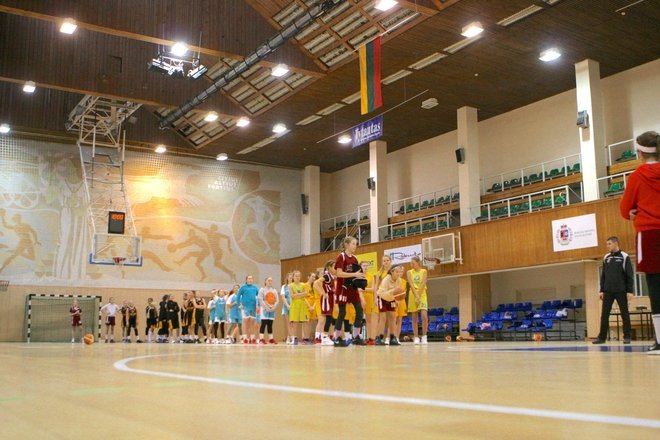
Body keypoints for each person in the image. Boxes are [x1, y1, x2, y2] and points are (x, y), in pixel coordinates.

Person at [619, 131, 660, 354]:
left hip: (649, 234)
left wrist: (635, 212)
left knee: (655, 287)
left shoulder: (638, 176)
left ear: (640, 152)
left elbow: (625, 209)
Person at [592, 237, 634, 345]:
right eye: (607, 244)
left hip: (621, 290)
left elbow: (629, 275)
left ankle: (627, 336)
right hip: (608, 291)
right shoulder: (606, 257)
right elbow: (604, 275)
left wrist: (630, 291)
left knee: (624, 314)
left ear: (616, 244)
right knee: (604, 314)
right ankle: (602, 337)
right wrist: (601, 290)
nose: (608, 246)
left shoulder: (624, 256)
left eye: (609, 244)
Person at [332, 236, 367, 347]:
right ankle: (336, 337)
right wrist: (354, 274)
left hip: (352, 288)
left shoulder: (355, 258)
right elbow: (339, 273)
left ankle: (356, 336)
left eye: (356, 244)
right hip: (343, 289)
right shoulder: (341, 257)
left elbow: (356, 275)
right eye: (353, 243)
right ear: (347, 245)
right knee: (342, 313)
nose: (355, 246)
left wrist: (360, 280)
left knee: (359, 311)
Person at [376, 264, 405, 346]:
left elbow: (398, 293)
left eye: (399, 272)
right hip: (382, 297)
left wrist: (397, 300)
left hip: (391, 298)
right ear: (392, 272)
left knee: (393, 317)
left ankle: (393, 338)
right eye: (397, 272)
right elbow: (383, 293)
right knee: (383, 317)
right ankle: (379, 337)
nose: (398, 273)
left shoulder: (399, 280)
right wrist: (392, 291)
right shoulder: (386, 280)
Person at [407, 256, 429, 344]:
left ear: (418, 263)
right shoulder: (409, 272)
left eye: (413, 263)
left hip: (422, 294)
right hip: (412, 294)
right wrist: (415, 296)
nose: (411, 265)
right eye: (411, 263)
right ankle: (416, 337)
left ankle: (424, 336)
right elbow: (411, 284)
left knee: (424, 315)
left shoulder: (424, 271)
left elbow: (423, 283)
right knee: (414, 317)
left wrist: (418, 296)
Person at [237, 275, 259, 344]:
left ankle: (252, 338)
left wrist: (258, 305)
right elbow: (238, 296)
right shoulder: (243, 287)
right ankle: (245, 338)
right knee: (245, 323)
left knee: (252, 323)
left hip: (253, 308)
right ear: (246, 280)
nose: (250, 280)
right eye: (249, 278)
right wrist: (239, 304)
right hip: (245, 308)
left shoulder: (255, 288)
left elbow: (258, 297)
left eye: (251, 278)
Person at [288, 270, 308, 345]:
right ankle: (294, 338)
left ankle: (306, 338)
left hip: (302, 305)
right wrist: (301, 294)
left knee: (305, 322)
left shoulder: (303, 284)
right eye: (296, 276)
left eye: (299, 276)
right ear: (293, 277)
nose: (297, 277)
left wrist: (297, 294)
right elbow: (292, 295)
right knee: (295, 322)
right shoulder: (290, 285)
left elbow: (306, 293)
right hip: (294, 306)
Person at [258, 277, 279, 344]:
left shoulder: (274, 290)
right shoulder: (262, 290)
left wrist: (273, 307)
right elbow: (260, 299)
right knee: (263, 324)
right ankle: (261, 339)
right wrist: (266, 307)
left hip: (272, 309)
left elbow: (277, 300)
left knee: (270, 324)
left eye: (271, 281)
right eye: (269, 280)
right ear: (265, 281)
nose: (270, 282)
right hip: (264, 309)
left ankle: (271, 339)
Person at [280, 273, 294, 344]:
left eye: (292, 277)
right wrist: (287, 305)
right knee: (288, 323)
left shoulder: (294, 286)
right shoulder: (284, 287)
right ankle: (291, 338)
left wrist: (292, 305)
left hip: (294, 306)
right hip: (286, 306)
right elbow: (283, 297)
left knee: (292, 323)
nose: (291, 278)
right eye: (290, 277)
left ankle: (290, 337)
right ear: (287, 278)